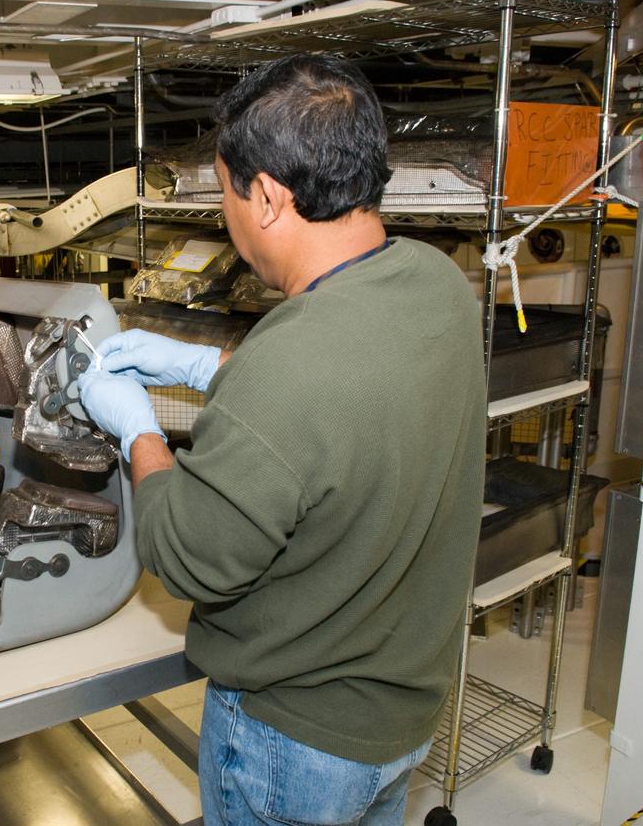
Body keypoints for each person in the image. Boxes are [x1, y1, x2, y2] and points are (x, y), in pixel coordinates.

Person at [77, 54, 486, 825]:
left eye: (227, 194)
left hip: (293, 740)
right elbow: (347, 399)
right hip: (401, 718)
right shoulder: (439, 286)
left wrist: (138, 430)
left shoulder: (292, 366)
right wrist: (210, 366)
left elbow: (188, 554)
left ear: (266, 197)